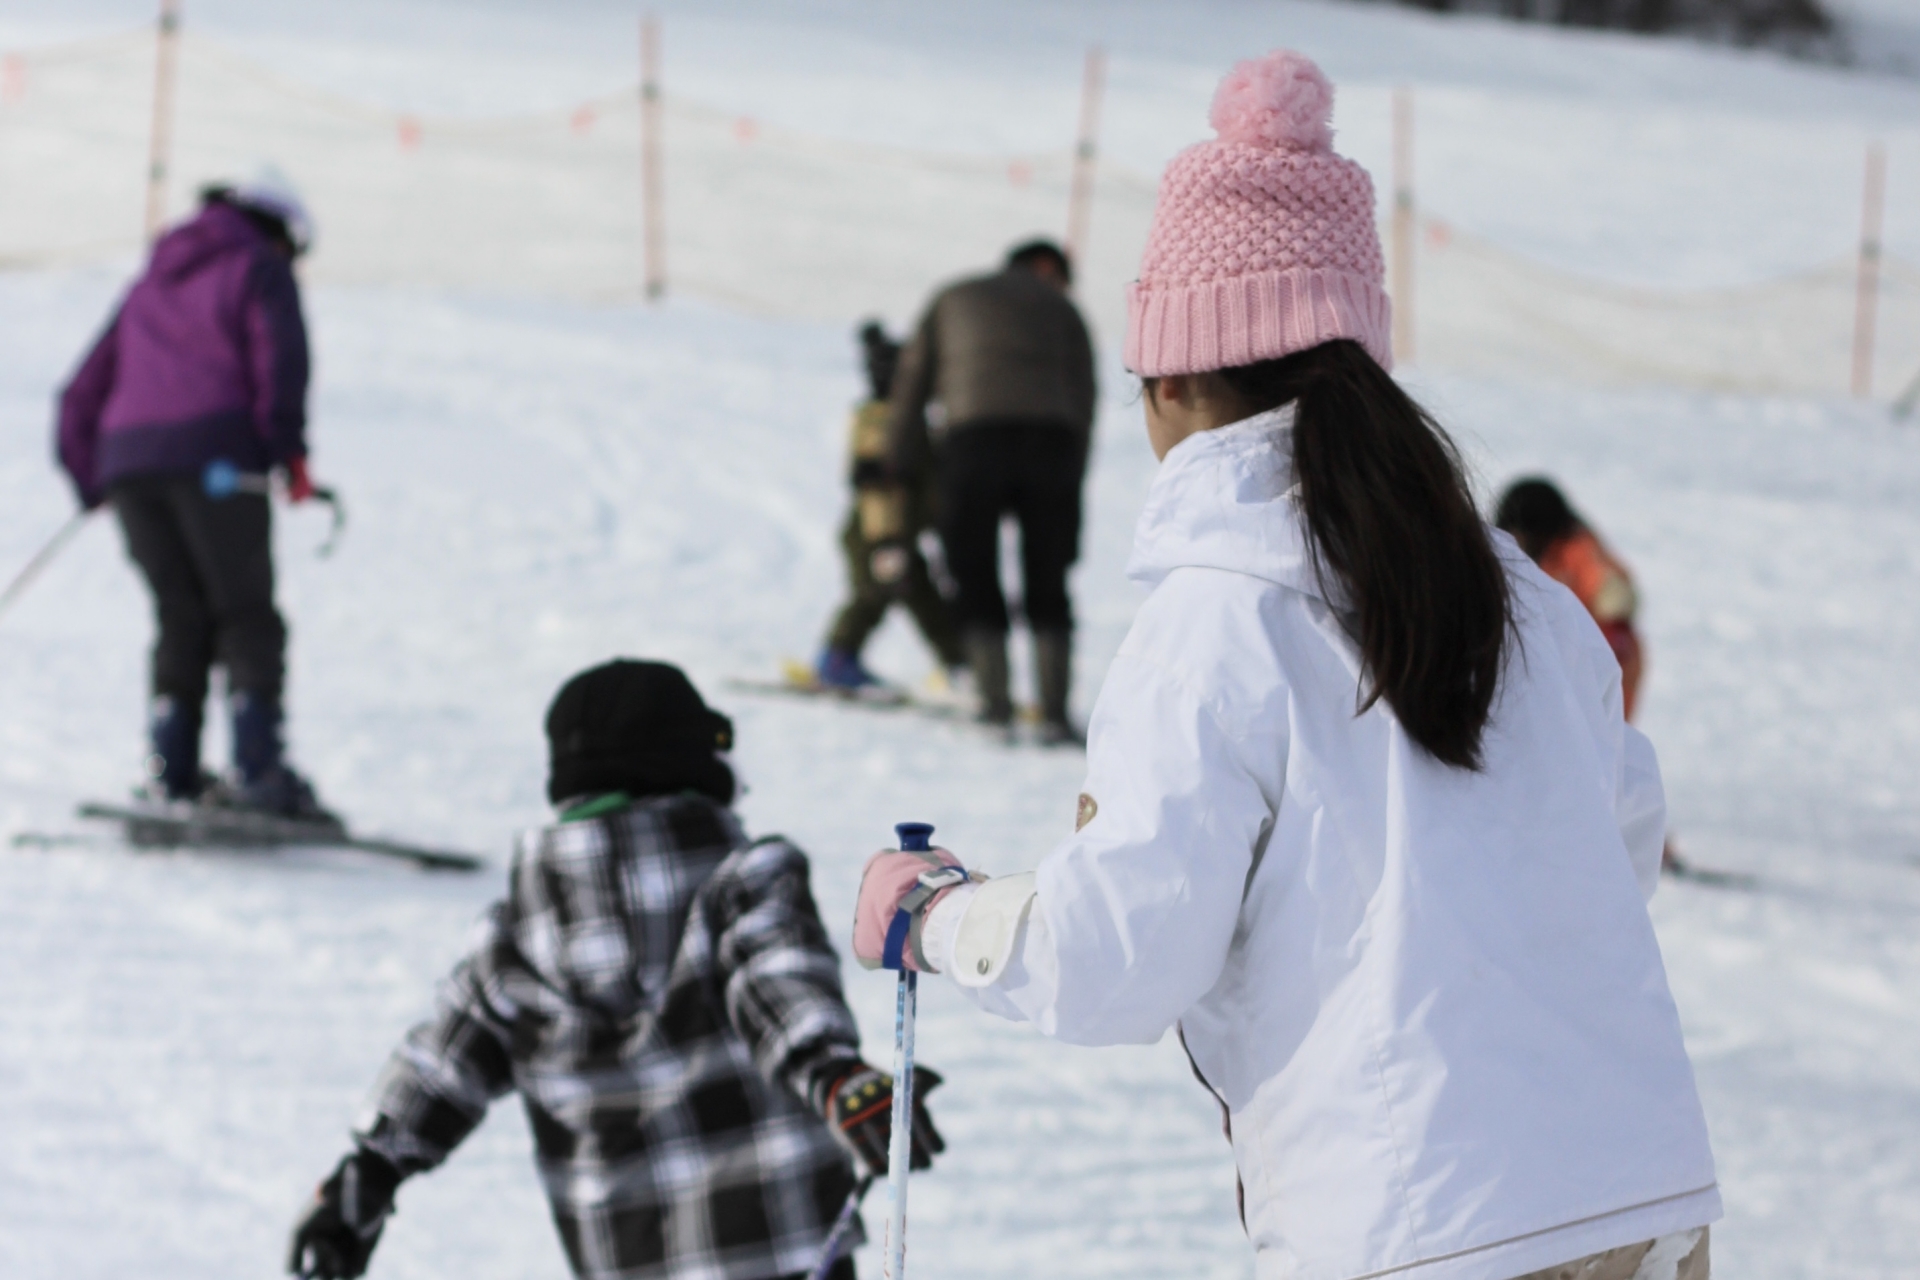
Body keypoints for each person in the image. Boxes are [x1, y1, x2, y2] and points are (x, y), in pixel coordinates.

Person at [852, 51, 1716, 1280]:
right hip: (1644, 1198)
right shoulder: (1524, 592)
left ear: (1178, 378)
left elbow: (1115, 958)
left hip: (1423, 1227)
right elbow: (1617, 837)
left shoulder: (1220, 615)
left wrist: (939, 914)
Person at [288, 660, 943, 1280]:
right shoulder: (741, 883)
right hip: (778, 1247)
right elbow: (775, 983)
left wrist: (368, 1171)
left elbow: (441, 1066)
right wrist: (835, 1076)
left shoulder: (514, 936)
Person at [54, 166, 326, 817]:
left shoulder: (150, 283)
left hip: (131, 466)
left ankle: (167, 771)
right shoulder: (257, 267)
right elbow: (278, 359)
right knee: (245, 613)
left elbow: (78, 395)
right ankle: (260, 772)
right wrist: (287, 451)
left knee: (181, 615)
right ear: (278, 228)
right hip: (217, 461)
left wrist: (93, 477)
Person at [887, 238, 1096, 743]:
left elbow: (913, 380)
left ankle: (995, 706)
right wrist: (1075, 472)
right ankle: (1052, 714)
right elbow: (1086, 394)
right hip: (1052, 446)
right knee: (1048, 580)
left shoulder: (953, 297)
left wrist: (897, 458)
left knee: (974, 571)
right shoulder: (1064, 308)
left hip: (971, 444)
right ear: (1047, 267)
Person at [813, 321, 965, 692]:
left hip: (899, 532)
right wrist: (886, 540)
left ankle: (959, 665)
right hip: (878, 532)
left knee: (922, 596)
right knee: (874, 592)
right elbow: (877, 487)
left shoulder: (902, 419)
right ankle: (837, 659)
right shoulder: (885, 421)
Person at [1495, 477, 1646, 717]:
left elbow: (1616, 595)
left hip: (1597, 677)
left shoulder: (1576, 551)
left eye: (1520, 535)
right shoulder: (1535, 555)